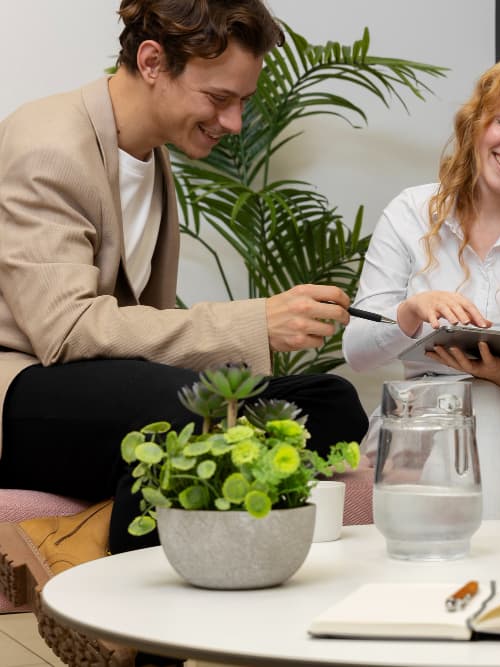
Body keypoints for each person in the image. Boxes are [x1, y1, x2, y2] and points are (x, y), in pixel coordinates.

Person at [0, 0, 368, 571]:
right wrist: (252, 323)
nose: (235, 123)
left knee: (332, 405)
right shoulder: (48, 143)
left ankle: (111, 525)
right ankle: (129, 632)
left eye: (242, 101)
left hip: (105, 383)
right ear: (152, 61)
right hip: (24, 391)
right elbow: (66, 330)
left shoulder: (151, 157)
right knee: (180, 414)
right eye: (219, 99)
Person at [343, 54, 500, 519]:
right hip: (417, 417)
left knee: (485, 400)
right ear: (477, 122)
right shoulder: (409, 213)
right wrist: (410, 313)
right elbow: (358, 352)